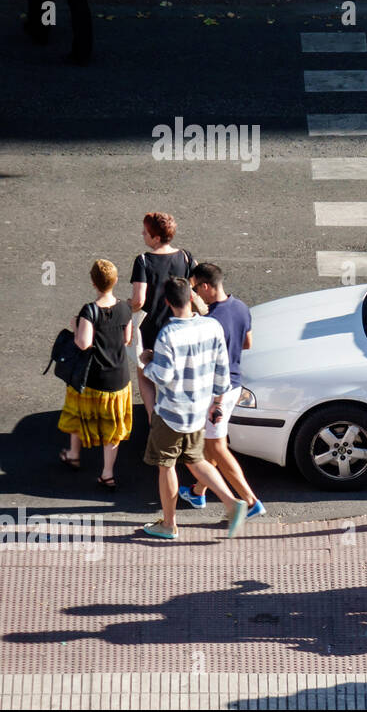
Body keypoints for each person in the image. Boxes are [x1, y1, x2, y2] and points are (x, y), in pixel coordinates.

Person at [139, 277, 247, 540]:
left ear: (167, 302)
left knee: (166, 465)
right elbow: (222, 369)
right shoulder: (211, 326)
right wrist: (218, 403)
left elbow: (163, 375)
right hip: (200, 409)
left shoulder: (168, 334)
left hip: (172, 413)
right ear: (190, 297)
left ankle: (169, 524)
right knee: (196, 460)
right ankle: (232, 503)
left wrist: (146, 363)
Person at [179, 264, 265, 520]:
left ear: (205, 286)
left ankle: (250, 501)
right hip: (234, 385)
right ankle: (197, 491)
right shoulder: (240, 307)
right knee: (211, 443)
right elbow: (247, 342)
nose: (194, 294)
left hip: (216, 393)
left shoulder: (208, 321)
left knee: (217, 448)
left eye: (195, 288)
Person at [55, 259, 133, 490]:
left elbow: (83, 343)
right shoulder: (125, 308)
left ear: (93, 283)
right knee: (113, 429)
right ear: (115, 280)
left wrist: (76, 324)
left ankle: (73, 454)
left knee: (79, 414)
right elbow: (127, 339)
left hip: (92, 378)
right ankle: (107, 473)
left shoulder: (89, 311)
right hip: (118, 378)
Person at [129, 213, 199, 421]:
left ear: (156, 238)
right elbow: (193, 286)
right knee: (177, 372)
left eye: (146, 232)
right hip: (181, 326)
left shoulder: (143, 261)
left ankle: (153, 417)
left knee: (145, 372)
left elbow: (139, 300)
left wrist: (128, 306)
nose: (143, 234)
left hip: (152, 328)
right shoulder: (185, 256)